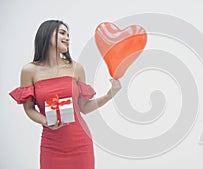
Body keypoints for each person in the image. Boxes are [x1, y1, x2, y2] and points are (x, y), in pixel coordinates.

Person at [9, 20, 121, 169]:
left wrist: (109, 94)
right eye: (62, 33)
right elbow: (28, 108)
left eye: (68, 35)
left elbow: (84, 107)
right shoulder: (29, 70)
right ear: (46, 35)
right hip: (51, 145)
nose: (67, 38)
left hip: (80, 143)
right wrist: (45, 120)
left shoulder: (76, 68)